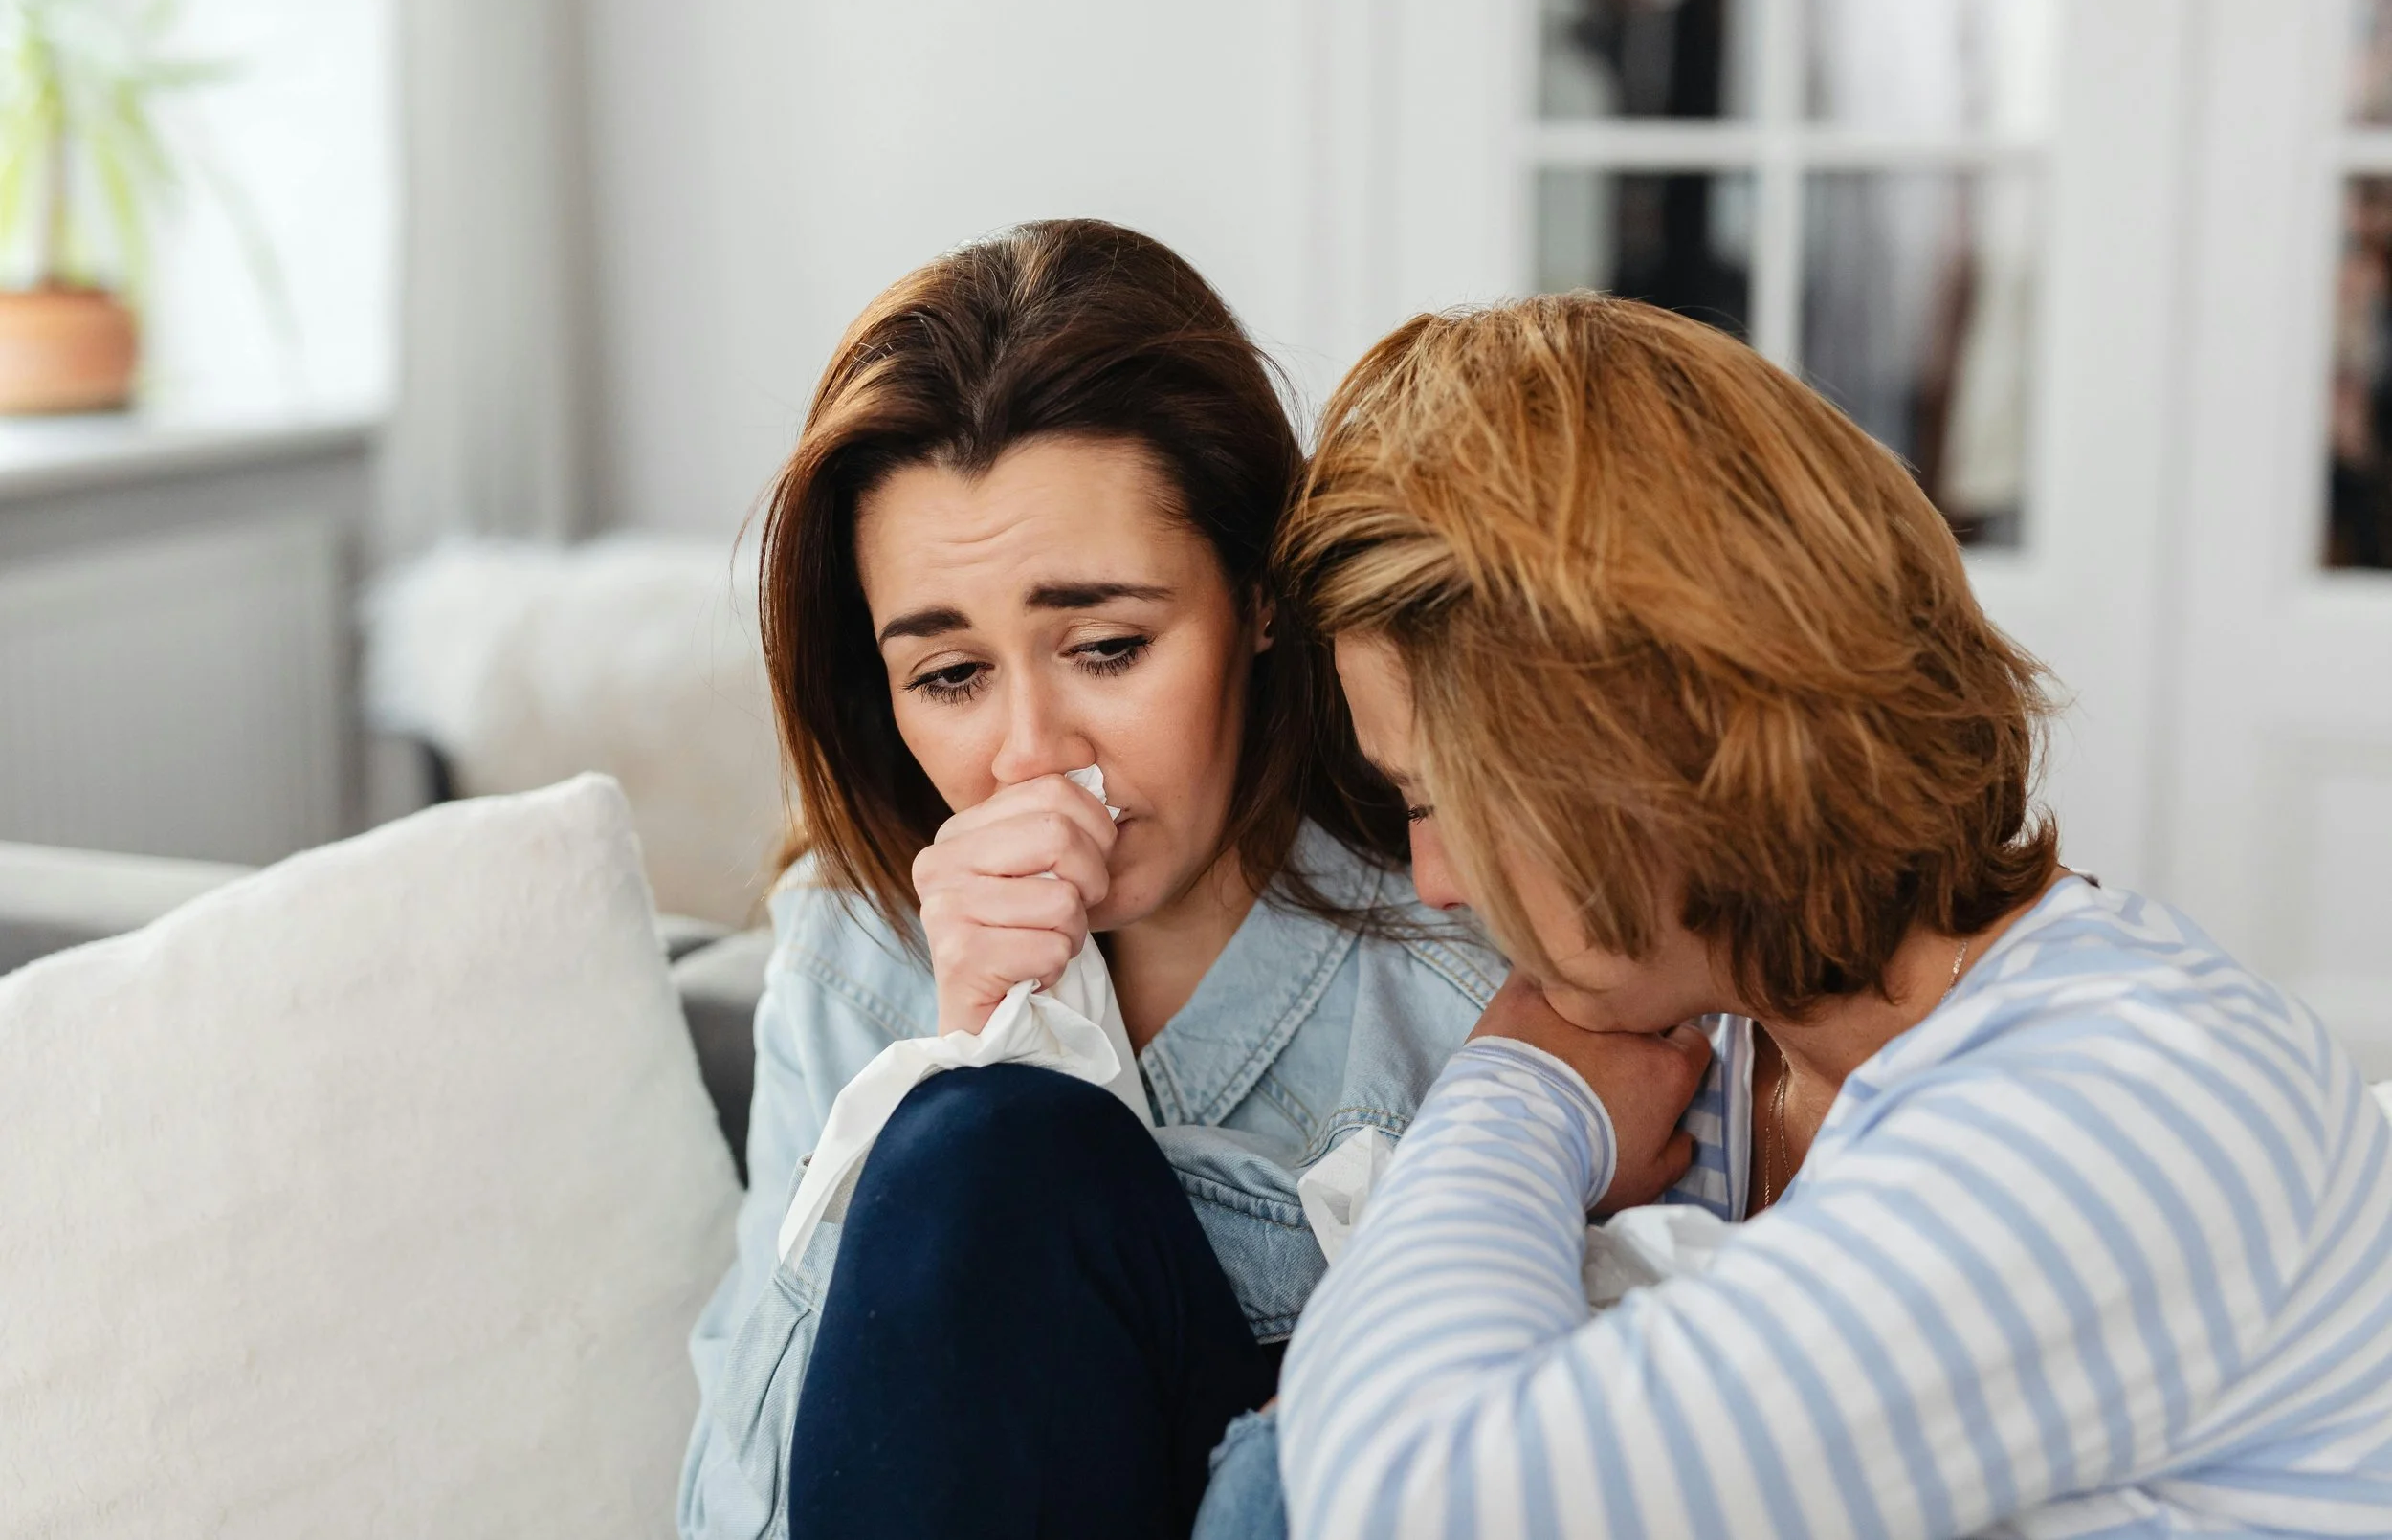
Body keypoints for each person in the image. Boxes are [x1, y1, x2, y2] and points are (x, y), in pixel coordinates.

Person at [1263, 293, 2392, 1536]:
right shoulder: (1734, 1048)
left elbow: (1404, 1504)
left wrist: (1519, 1094)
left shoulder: (2130, 1109)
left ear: (1645, 741)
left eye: (1443, 801)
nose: (1436, 880)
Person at [675, 220, 1497, 1540]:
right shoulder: (857, 941)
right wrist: (953, 1053)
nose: (1029, 754)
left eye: (1108, 646)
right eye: (948, 676)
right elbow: (738, 1513)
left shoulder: (1458, 959)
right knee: (967, 1135)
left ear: (1261, 596)